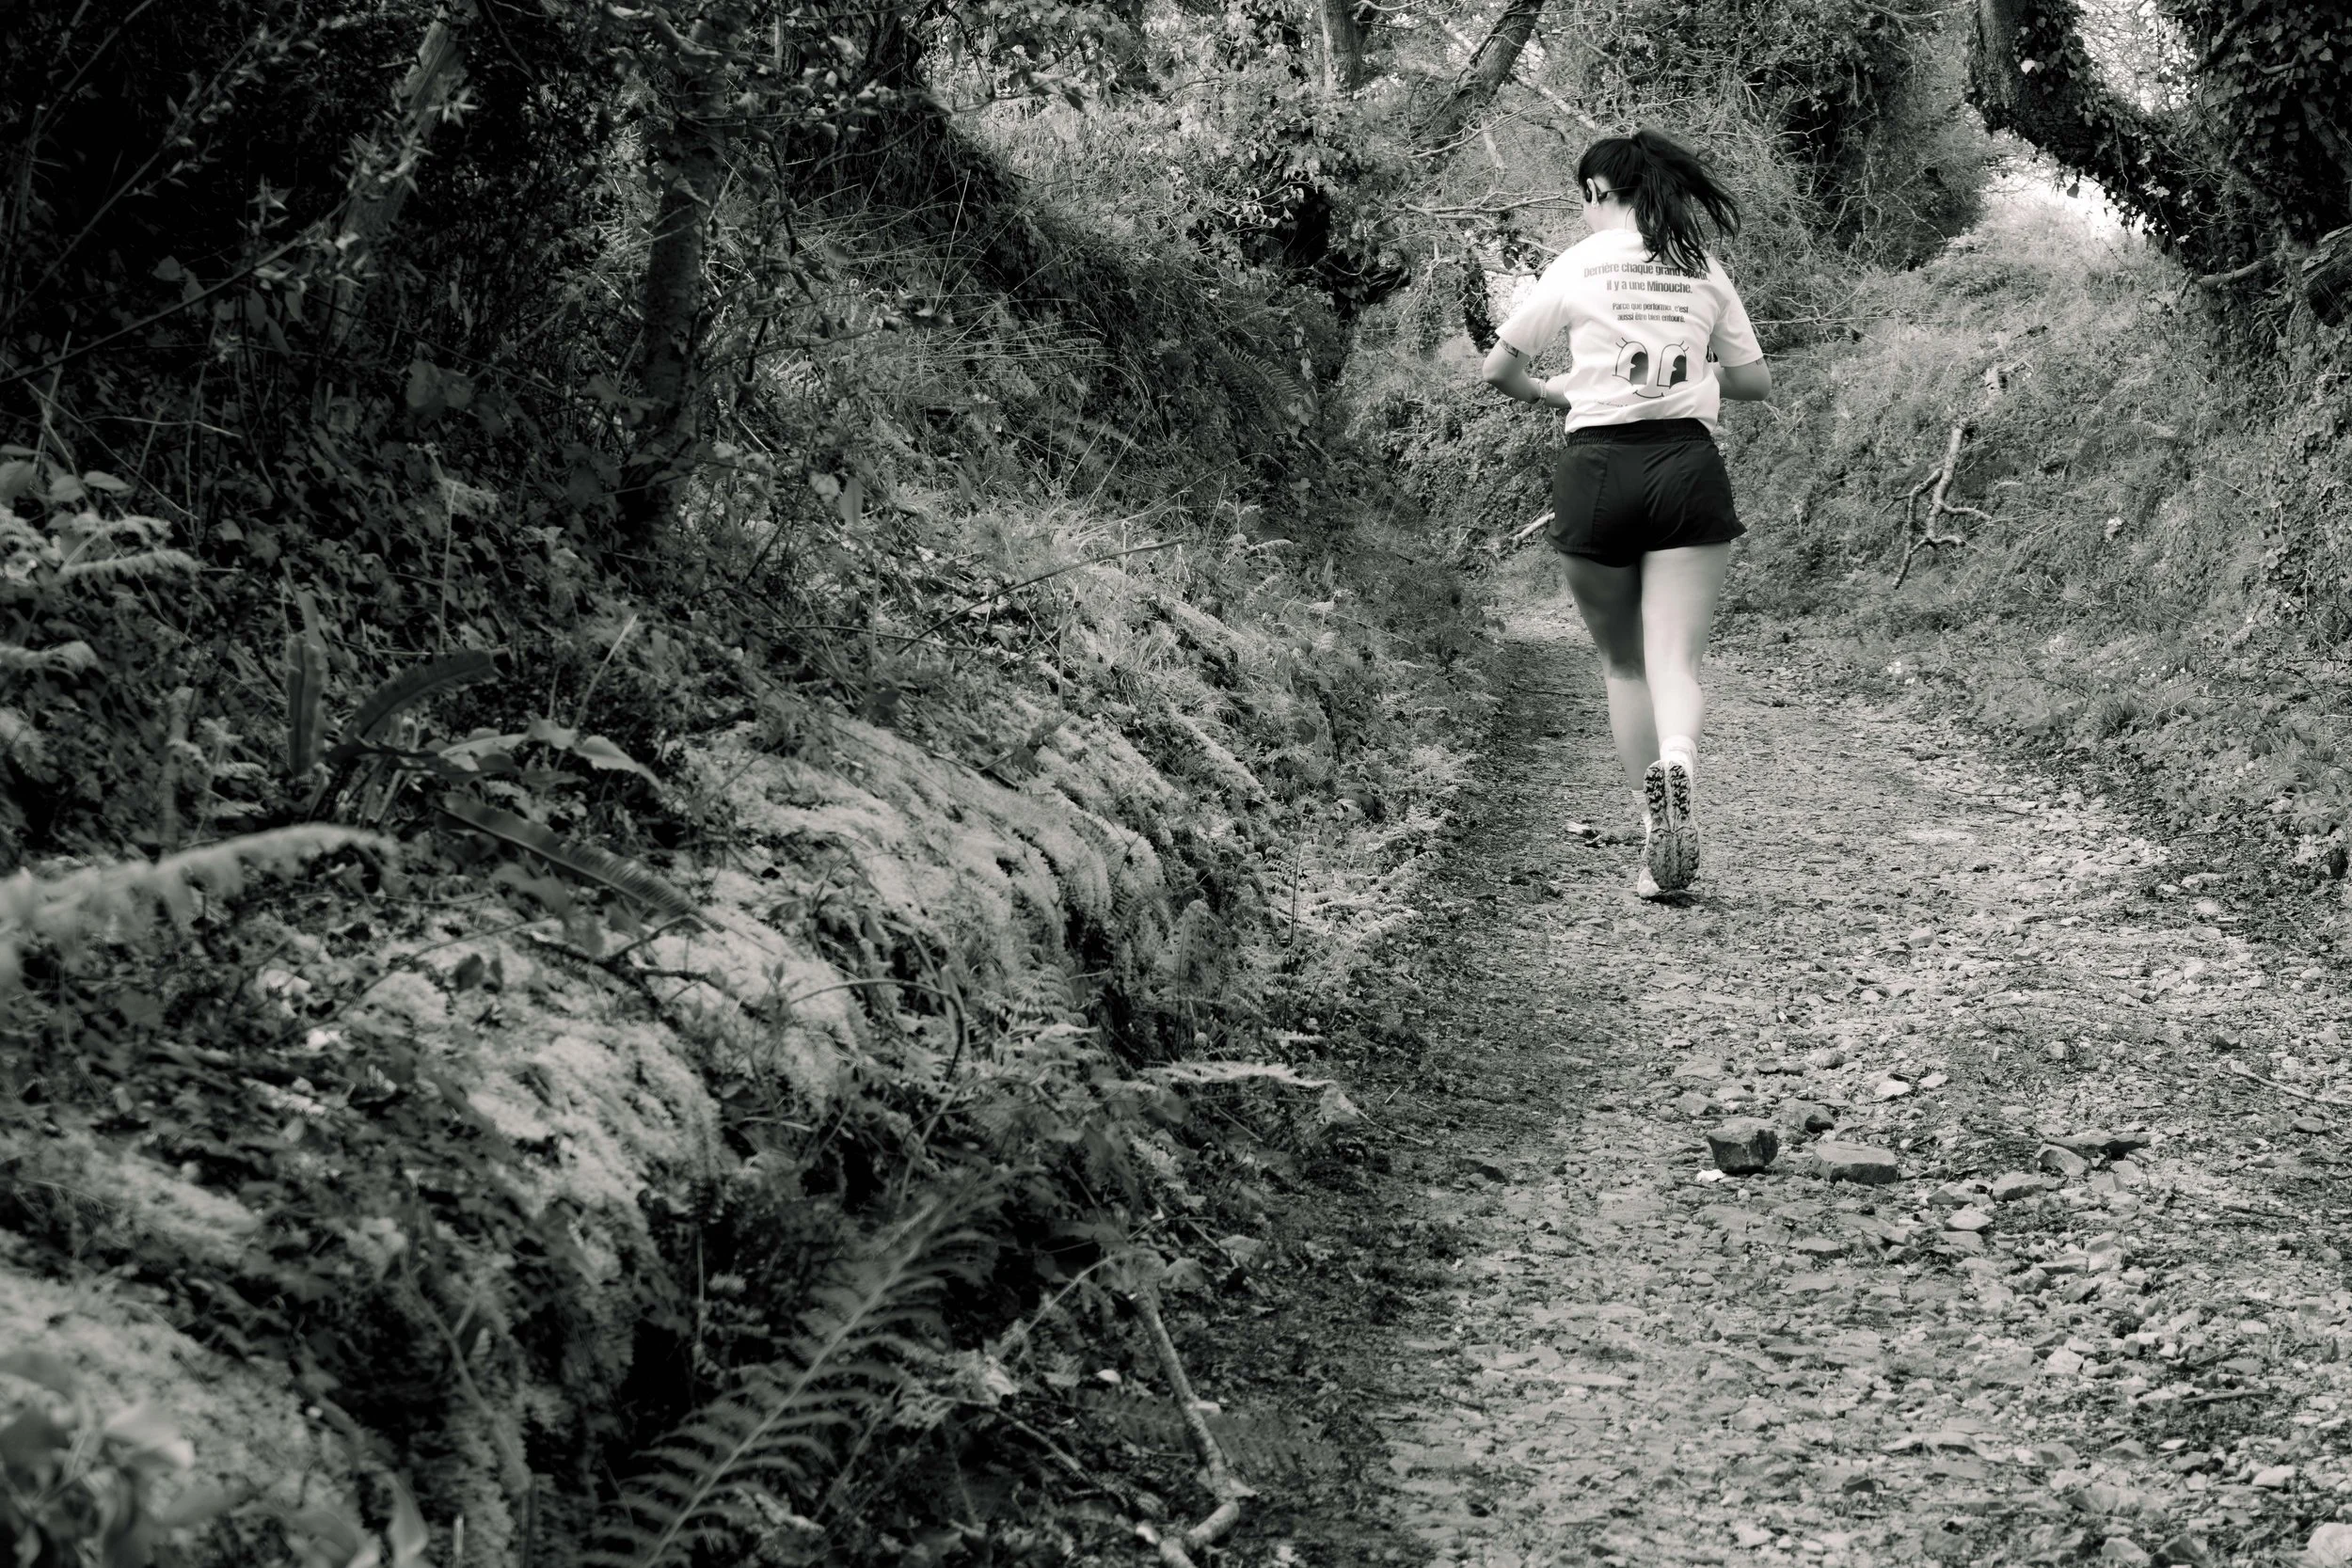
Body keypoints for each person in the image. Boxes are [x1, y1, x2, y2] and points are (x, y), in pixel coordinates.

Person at [1480, 128, 1771, 899]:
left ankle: (1654, 840)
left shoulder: (1576, 266)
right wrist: (1694, 369)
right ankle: (1680, 761)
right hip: (1685, 465)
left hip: (1597, 470)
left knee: (1623, 664)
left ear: (1601, 194)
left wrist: (1557, 391)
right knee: (1676, 661)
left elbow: (1498, 366)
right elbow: (1754, 382)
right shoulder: (1699, 265)